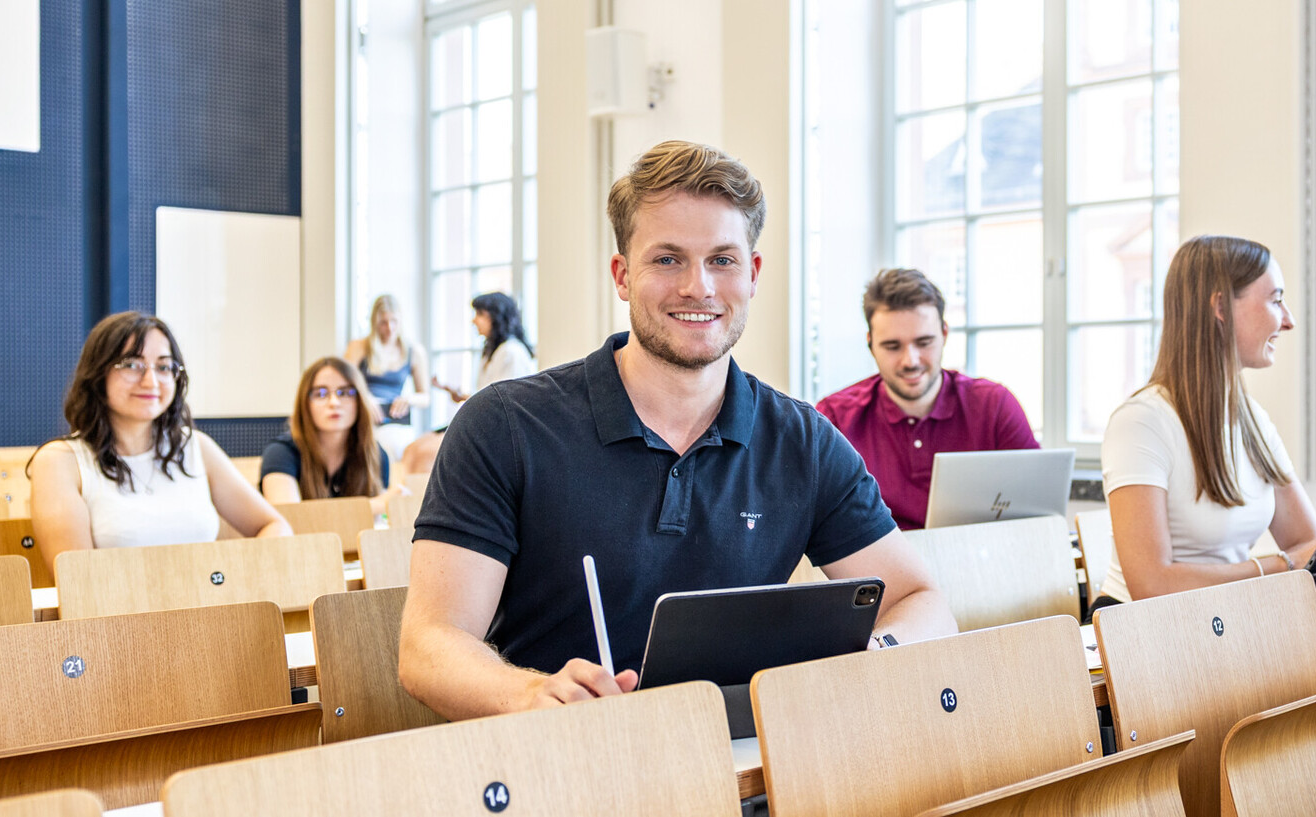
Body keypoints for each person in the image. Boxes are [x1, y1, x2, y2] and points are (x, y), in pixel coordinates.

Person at [399, 140, 956, 719]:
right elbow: (429, 645)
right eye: (667, 259)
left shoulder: (804, 442)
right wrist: (529, 694)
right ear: (622, 275)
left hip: (750, 772)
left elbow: (922, 601)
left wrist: (874, 653)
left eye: (722, 259)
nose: (699, 287)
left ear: (753, 273)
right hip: (566, 767)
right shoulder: (505, 426)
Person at [1097, 236, 1316, 606]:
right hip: (1138, 634)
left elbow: (1309, 547)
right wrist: (1277, 566)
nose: (1288, 321)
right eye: (1275, 300)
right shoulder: (1140, 423)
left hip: (1219, 621)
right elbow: (1151, 585)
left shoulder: (1253, 420)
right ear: (1220, 306)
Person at [28, 312, 291, 572]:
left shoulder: (195, 446)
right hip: (118, 614)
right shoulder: (59, 462)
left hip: (209, 607)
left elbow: (274, 527)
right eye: (131, 364)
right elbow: (77, 581)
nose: (151, 381)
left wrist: (234, 578)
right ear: (97, 374)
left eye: (164, 367)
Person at [815, 268, 1039, 529]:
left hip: (980, 563)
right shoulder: (834, 419)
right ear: (870, 343)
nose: (910, 361)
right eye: (892, 346)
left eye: (924, 342)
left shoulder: (995, 406)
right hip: (880, 569)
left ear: (944, 334)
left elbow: (1037, 517)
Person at [398, 292, 538, 474]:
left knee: (425, 454)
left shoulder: (511, 352)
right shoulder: (491, 352)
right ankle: (403, 500)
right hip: (479, 422)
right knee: (411, 449)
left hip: (494, 432)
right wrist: (459, 394)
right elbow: (489, 396)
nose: (474, 321)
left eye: (480, 314)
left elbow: (503, 404)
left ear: (496, 317)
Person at [259, 357, 405, 517]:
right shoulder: (280, 453)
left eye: (345, 392)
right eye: (321, 393)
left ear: (360, 401)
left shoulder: (376, 454)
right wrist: (376, 505)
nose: (334, 402)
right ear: (305, 403)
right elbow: (290, 519)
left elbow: (376, 525)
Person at [343, 295, 430, 464]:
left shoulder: (414, 352)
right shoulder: (359, 347)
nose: (389, 328)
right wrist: (365, 398)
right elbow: (343, 380)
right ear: (375, 323)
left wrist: (409, 399)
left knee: (398, 448)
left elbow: (425, 397)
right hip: (365, 415)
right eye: (383, 323)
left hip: (395, 418)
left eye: (394, 321)